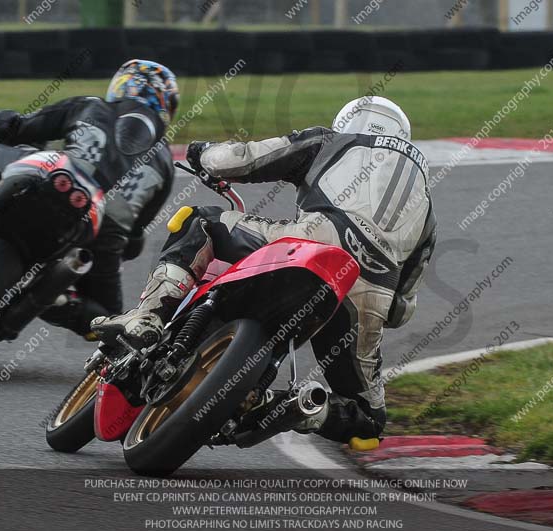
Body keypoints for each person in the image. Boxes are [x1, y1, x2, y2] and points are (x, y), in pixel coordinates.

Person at [92, 96, 436, 445]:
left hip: (313, 243)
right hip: (368, 296)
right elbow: (401, 308)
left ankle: (147, 317)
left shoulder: (332, 141)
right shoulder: (426, 206)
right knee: (369, 420)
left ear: (349, 123)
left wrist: (202, 154)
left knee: (199, 221)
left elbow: (247, 159)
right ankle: (297, 407)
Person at [0, 59, 179, 338]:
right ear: (165, 105)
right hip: (104, 232)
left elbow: (15, 126)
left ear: (122, 85)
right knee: (109, 321)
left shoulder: (91, 105)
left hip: (54, 183)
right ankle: (54, 298)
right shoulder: (166, 162)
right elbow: (135, 237)